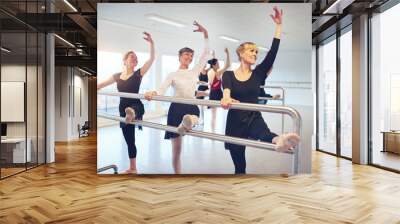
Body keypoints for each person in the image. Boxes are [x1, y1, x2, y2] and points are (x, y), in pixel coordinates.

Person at [220, 7, 300, 174]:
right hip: (235, 122)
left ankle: (281, 140)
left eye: (257, 52)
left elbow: (272, 53)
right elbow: (226, 89)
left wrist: (279, 26)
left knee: (267, 134)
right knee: (240, 165)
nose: (255, 54)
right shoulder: (228, 75)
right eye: (252, 51)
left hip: (253, 117)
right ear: (241, 54)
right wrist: (226, 98)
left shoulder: (258, 74)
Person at [145, 21, 210, 174]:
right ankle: (177, 175)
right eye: (186, 54)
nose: (190, 57)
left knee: (194, 118)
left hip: (191, 106)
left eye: (191, 55)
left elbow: (206, 54)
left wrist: (205, 33)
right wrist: (152, 93)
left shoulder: (194, 71)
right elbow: (161, 89)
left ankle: (187, 122)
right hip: (176, 108)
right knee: (177, 150)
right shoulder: (172, 75)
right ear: (180, 57)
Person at [97, 32, 155, 174]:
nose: (135, 59)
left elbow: (152, 59)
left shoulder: (138, 74)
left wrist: (151, 43)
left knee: (132, 109)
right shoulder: (117, 76)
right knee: (130, 141)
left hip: (136, 105)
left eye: (136, 58)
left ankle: (132, 114)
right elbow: (101, 85)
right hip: (122, 109)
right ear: (125, 61)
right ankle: (133, 168)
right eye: (132, 57)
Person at [207, 48, 231, 131]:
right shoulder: (217, 73)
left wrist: (213, 55)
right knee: (214, 115)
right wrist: (227, 54)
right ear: (214, 65)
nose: (219, 64)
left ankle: (213, 130)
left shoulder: (211, 71)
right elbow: (227, 65)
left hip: (214, 93)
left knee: (214, 114)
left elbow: (212, 62)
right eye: (217, 63)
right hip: (216, 94)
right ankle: (213, 131)